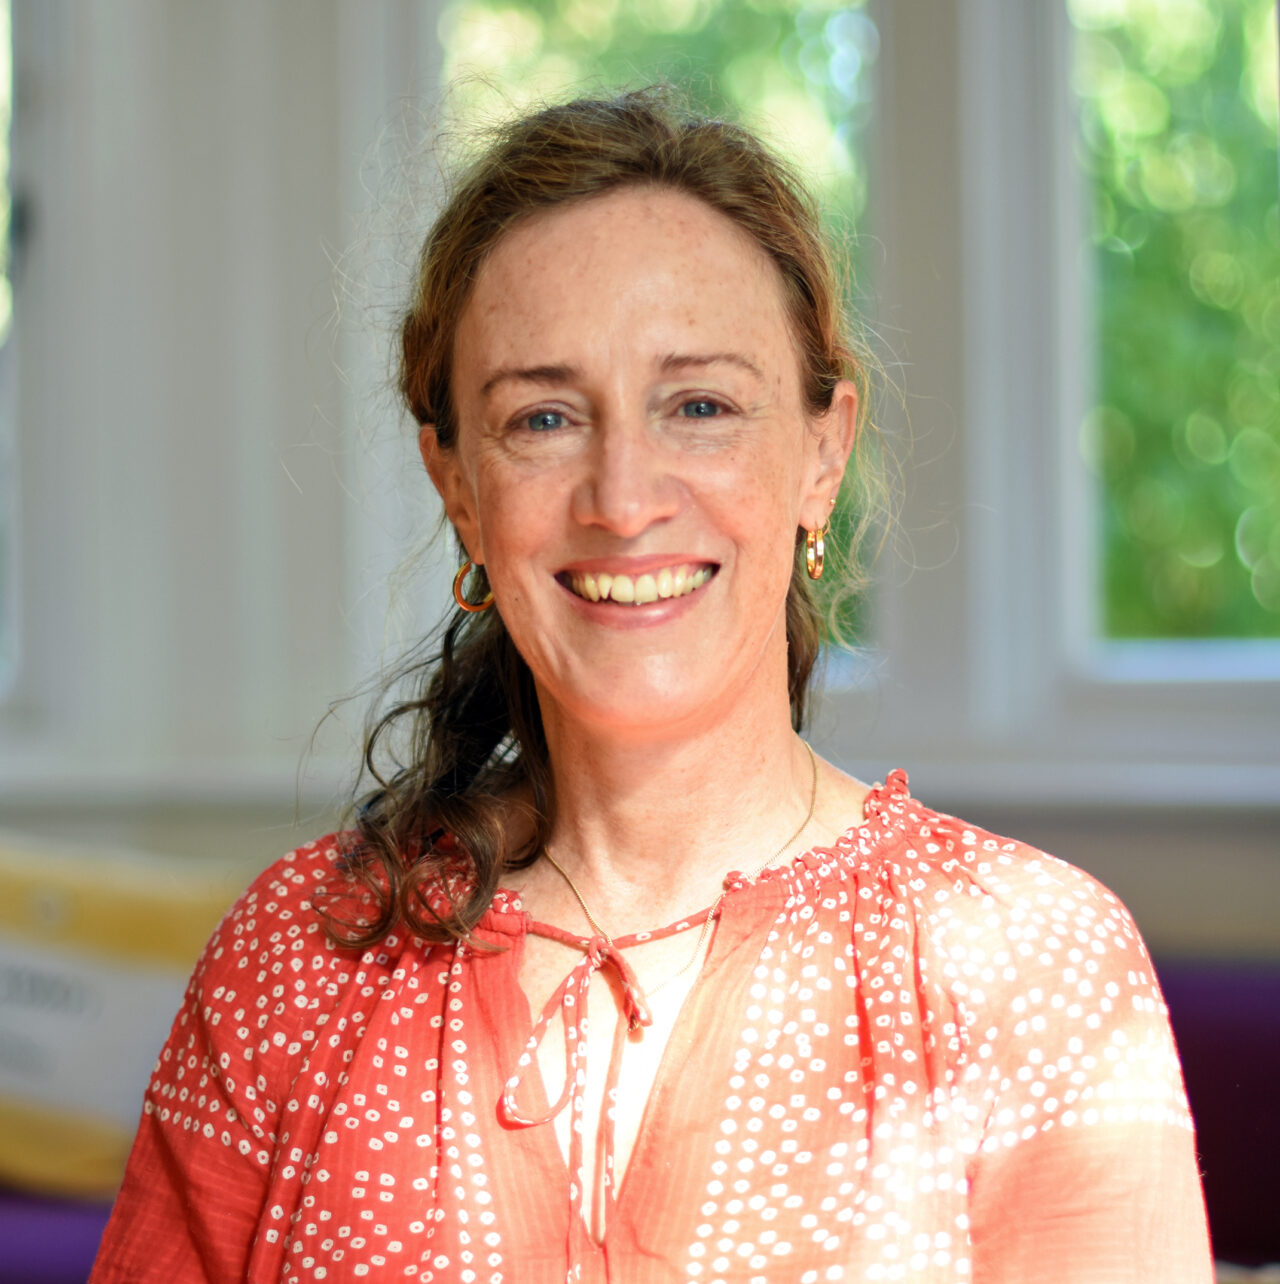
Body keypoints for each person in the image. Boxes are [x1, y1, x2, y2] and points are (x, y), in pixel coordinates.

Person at [90, 88, 1212, 1283]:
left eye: (699, 406)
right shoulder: (295, 958)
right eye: (541, 418)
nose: (622, 501)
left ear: (822, 453)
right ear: (456, 484)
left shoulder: (1031, 965)